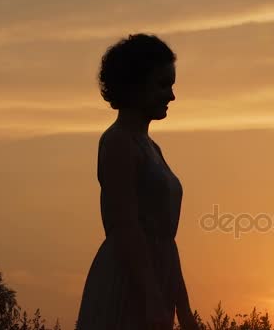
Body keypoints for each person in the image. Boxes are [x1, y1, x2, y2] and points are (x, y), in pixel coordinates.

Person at [76, 34, 197, 330]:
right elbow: (125, 226)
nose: (171, 95)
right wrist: (150, 297)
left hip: (156, 282)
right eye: (162, 84)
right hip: (129, 283)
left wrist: (185, 312)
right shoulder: (118, 142)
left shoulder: (151, 148)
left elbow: (167, 240)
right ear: (134, 84)